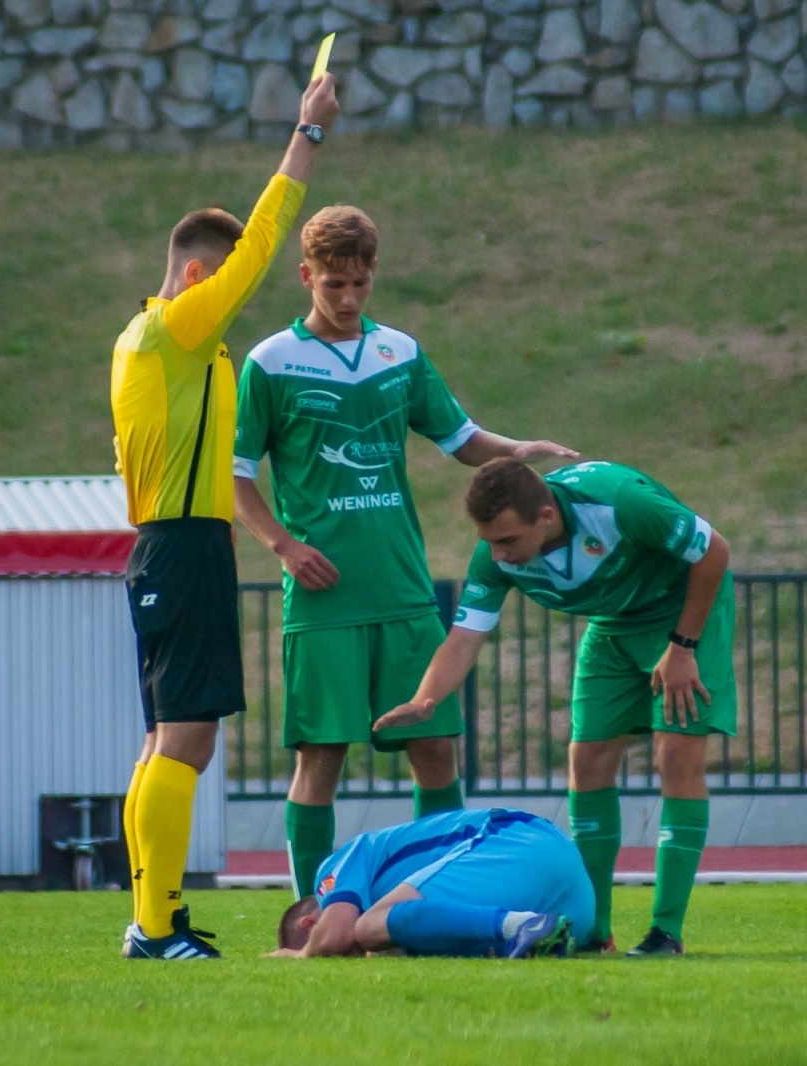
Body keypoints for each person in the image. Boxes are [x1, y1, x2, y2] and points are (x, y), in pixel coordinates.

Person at [232, 205, 576, 899]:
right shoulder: (270, 362)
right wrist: (284, 543)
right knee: (321, 757)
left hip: (403, 588)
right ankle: (309, 913)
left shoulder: (401, 353)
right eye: (333, 285)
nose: (349, 298)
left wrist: (517, 450)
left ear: (373, 274)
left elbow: (459, 439)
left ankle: (435, 903)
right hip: (324, 599)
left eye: (360, 282)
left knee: (434, 750)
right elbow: (234, 477)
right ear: (306, 277)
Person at [110, 74, 340, 961]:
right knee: (188, 741)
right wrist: (305, 138)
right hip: (183, 547)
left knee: (164, 740)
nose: (232, 304)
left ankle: (151, 919)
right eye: (223, 282)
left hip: (163, 547)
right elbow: (257, 256)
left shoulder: (142, 340)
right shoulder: (174, 327)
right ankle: (157, 924)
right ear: (197, 273)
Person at [376, 458, 736, 957]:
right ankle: (593, 932)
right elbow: (463, 638)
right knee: (586, 762)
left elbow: (713, 551)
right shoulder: (496, 557)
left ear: (546, 516)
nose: (498, 555)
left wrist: (683, 646)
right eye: (490, 542)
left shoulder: (621, 503)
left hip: (681, 618)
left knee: (676, 755)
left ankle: (665, 932)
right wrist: (425, 698)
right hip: (611, 625)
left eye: (507, 541)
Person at [272, 807, 592, 959]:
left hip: (516, 841)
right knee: (388, 940)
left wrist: (299, 957)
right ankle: (535, 932)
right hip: (574, 903)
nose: (348, 960)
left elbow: (335, 936)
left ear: (311, 922)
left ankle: (523, 925)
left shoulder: (335, 867)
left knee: (367, 927)